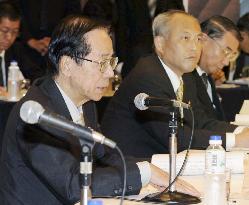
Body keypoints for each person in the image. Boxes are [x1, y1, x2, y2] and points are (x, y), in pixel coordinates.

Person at [0, 15, 199, 205]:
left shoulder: (86, 103)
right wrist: (143, 174)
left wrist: (157, 169)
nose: (111, 73)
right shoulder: (37, 114)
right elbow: (73, 185)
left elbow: (105, 155)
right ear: (67, 64)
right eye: (102, 63)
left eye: (111, 62)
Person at [101, 10, 249, 158]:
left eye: (198, 39)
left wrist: (242, 131)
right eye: (185, 38)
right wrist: (235, 140)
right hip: (129, 170)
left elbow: (201, 123)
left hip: (164, 165)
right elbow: (176, 137)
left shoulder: (186, 76)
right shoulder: (148, 76)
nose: (194, 47)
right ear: (160, 44)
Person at [189, 15, 241, 121]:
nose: (226, 62)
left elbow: (216, 120)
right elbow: (200, 126)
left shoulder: (207, 78)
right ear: (202, 40)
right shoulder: (184, 78)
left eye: (231, 55)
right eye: (226, 51)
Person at [10, 0, 81, 74]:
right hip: (23, 44)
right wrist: (30, 40)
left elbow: (74, 16)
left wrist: (56, 39)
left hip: (59, 47)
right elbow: (14, 11)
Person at [0, 1, 42, 89]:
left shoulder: (16, 50)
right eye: (4, 30)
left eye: (15, 32)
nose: (9, 37)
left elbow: (38, 77)